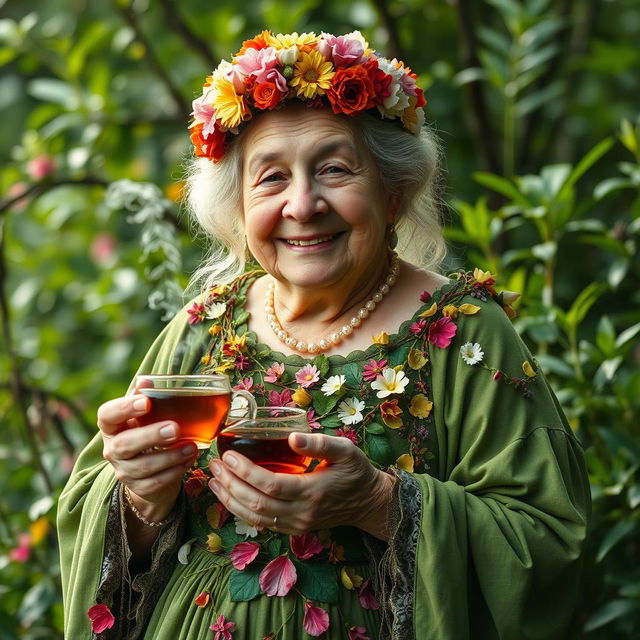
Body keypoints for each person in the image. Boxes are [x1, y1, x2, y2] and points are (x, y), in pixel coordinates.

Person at [58, 29, 590, 640]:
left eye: (335, 169)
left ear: (392, 194)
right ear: (238, 208)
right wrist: (139, 500)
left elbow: (549, 545)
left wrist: (377, 503)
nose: (303, 204)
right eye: (271, 178)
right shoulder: (203, 327)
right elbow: (105, 520)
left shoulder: (462, 330)